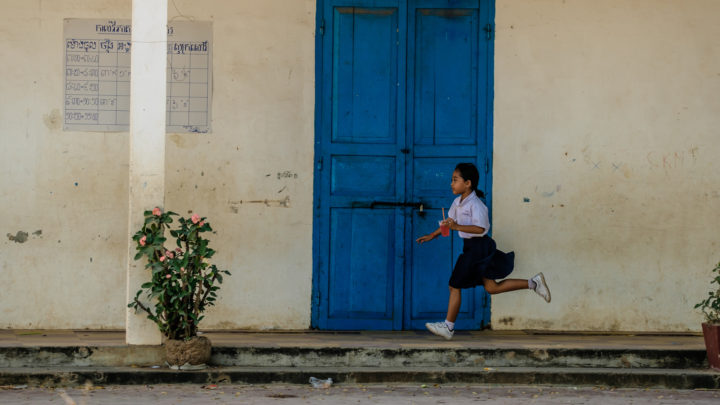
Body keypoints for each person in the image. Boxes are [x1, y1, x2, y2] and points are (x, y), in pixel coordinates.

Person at [415, 163, 551, 340]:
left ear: (468, 183)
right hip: (471, 247)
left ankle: (448, 327)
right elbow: (449, 223)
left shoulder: (476, 205)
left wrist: (457, 226)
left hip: (478, 248)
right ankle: (534, 283)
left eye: (455, 180)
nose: (451, 184)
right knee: (492, 287)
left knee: (454, 285)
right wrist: (432, 235)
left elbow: (481, 229)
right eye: (452, 180)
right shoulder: (457, 202)